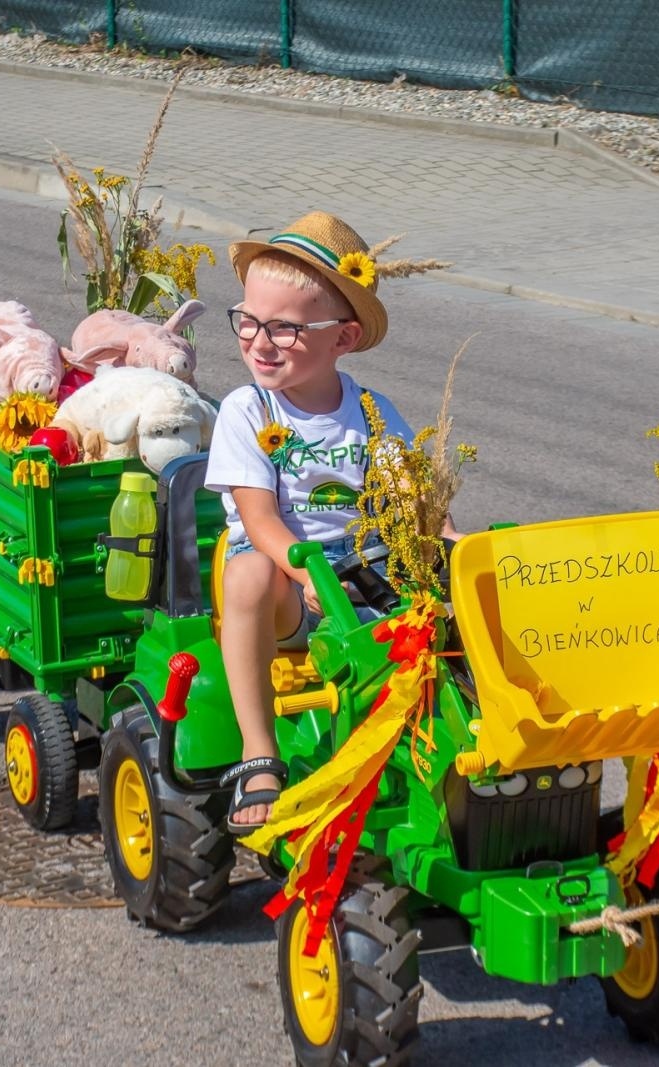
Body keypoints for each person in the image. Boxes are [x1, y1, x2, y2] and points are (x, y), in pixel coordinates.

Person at [204, 210, 453, 832]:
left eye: (284, 329)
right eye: (249, 322)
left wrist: (449, 541)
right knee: (250, 575)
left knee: (452, 600)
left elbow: (411, 498)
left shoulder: (370, 411)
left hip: (364, 574)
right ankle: (258, 752)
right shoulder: (247, 409)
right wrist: (306, 569)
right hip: (288, 583)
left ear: (341, 339)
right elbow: (258, 519)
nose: (259, 342)